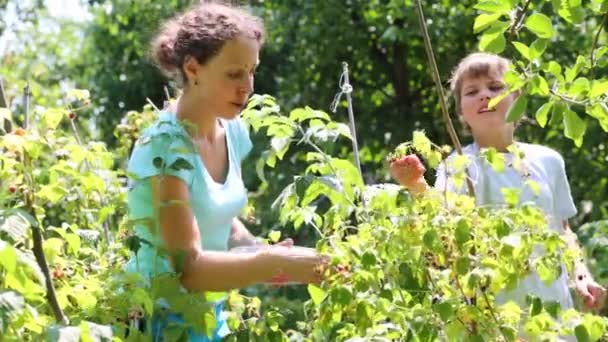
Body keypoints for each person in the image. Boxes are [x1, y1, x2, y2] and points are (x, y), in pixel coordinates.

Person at [124, 2, 326, 340]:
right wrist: (274, 264)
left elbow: (219, 221)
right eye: (234, 73)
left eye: (252, 71)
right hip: (158, 324)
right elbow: (188, 270)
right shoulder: (164, 150)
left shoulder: (233, 131)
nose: (247, 86)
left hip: (207, 317)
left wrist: (269, 252)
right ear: (193, 69)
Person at [391, 52, 606, 313]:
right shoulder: (459, 165)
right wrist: (416, 185)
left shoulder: (549, 161)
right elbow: (445, 224)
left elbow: (562, 230)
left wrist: (582, 276)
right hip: (494, 315)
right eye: (472, 91)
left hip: (554, 313)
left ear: (518, 101)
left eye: (495, 87)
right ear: (461, 113)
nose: (485, 95)